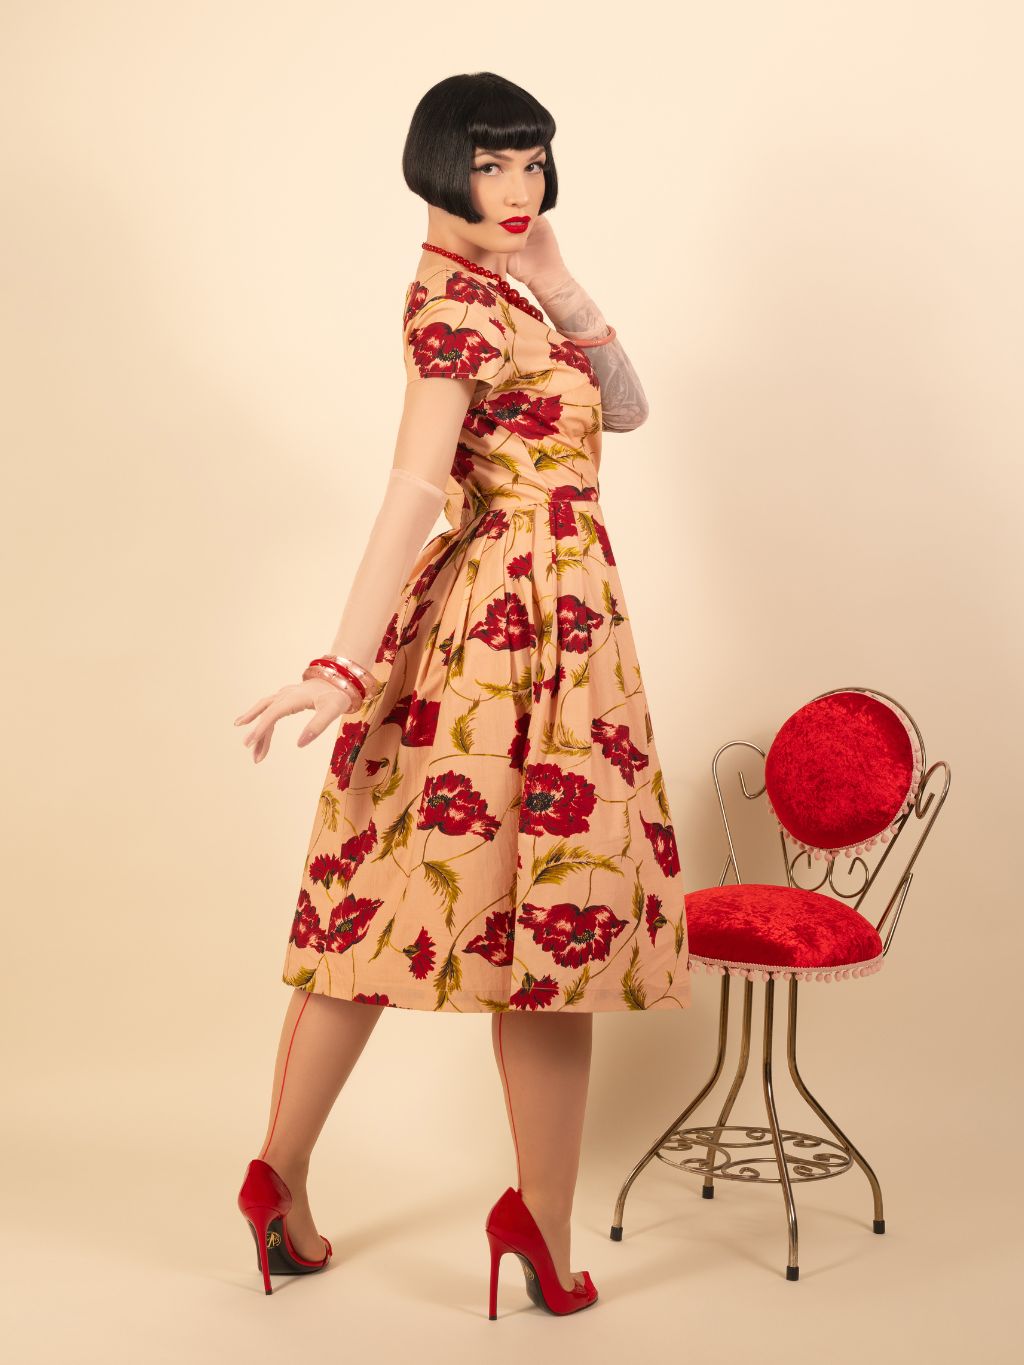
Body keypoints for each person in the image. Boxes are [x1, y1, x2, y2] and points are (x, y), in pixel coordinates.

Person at [232, 71, 692, 1317]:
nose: (519, 187)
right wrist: (338, 663)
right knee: (486, 915)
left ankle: (294, 1184)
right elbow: (414, 490)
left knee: (514, 917)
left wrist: (555, 269)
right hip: (505, 624)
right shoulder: (448, 310)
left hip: (561, 609)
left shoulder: (511, 286)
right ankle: (527, 1229)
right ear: (438, 163)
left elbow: (631, 410)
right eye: (494, 164)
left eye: (534, 163)